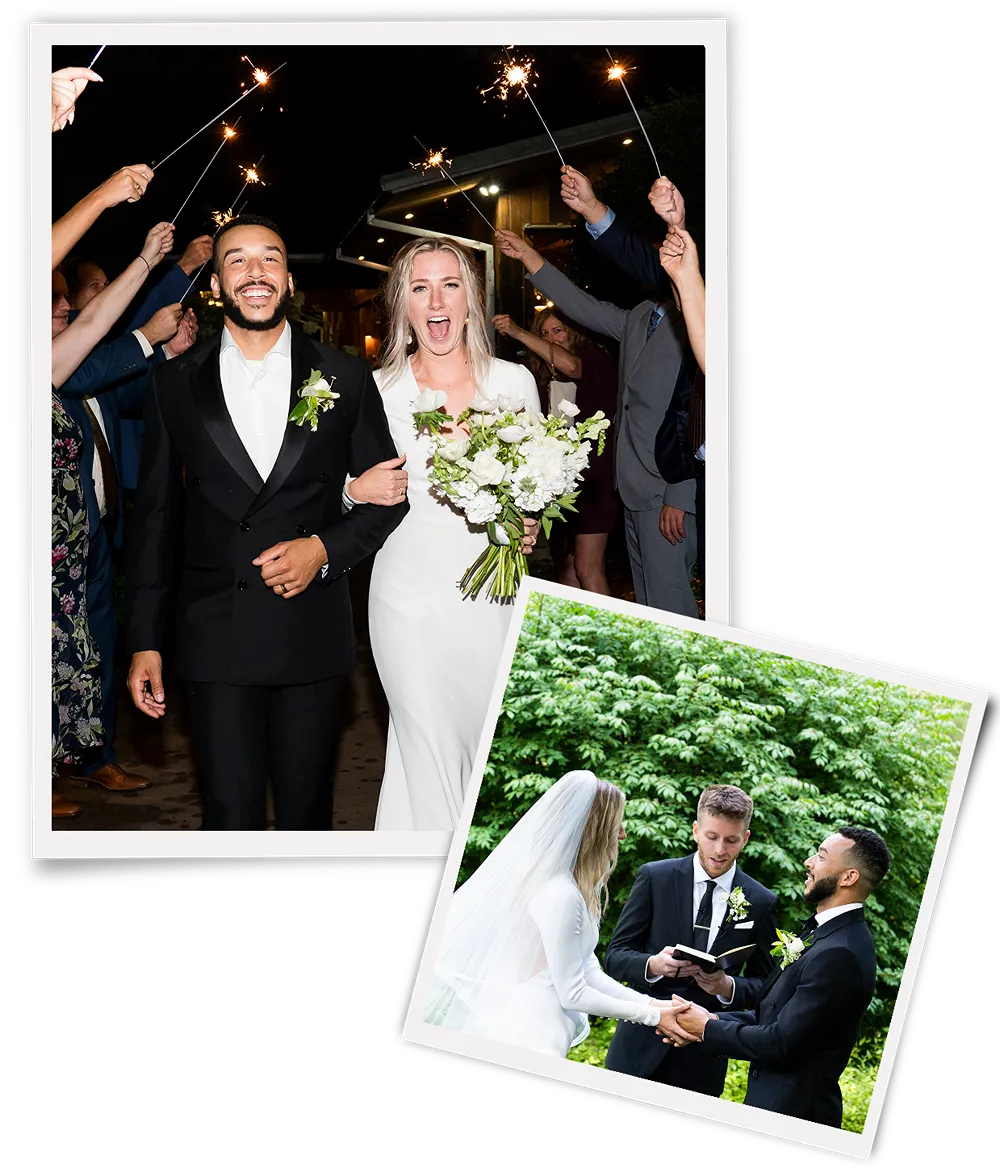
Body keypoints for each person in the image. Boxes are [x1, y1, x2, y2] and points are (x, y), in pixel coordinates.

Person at [125, 214, 408, 830]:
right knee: (230, 817)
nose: (255, 272)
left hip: (310, 631)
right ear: (216, 284)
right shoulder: (173, 382)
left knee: (308, 816)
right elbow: (155, 518)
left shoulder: (344, 375)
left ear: (288, 279)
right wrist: (145, 639)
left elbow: (390, 496)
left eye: (270, 258)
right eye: (237, 260)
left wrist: (323, 550)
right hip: (214, 633)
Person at [345, 236, 540, 832]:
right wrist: (353, 491)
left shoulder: (514, 383)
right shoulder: (376, 391)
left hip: (494, 595)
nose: (436, 301)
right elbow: (327, 488)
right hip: (406, 596)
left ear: (471, 300)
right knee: (425, 742)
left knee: (480, 745)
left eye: (450, 285)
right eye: (420, 287)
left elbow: (536, 481)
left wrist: (528, 520)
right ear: (401, 305)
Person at [56, 242, 207, 795]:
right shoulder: (56, 369)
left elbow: (134, 392)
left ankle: (92, 756)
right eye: (88, 291)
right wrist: (149, 334)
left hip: (97, 535)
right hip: (55, 547)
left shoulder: (91, 368)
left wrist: (169, 353)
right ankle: (45, 775)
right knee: (55, 654)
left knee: (98, 646)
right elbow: (103, 362)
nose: (68, 307)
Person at [495, 220, 699, 618]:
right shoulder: (640, 316)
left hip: (667, 491)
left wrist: (680, 494)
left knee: (672, 609)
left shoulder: (697, 320)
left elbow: (693, 410)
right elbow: (579, 304)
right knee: (649, 608)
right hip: (631, 488)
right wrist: (529, 256)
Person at [423, 770, 681, 1056]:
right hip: (530, 1036)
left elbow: (588, 972)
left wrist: (654, 1004)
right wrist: (654, 1017)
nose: (622, 833)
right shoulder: (560, 894)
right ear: (595, 829)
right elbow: (573, 993)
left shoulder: (568, 888)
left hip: (547, 1033)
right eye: (615, 823)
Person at [656, 827, 889, 1129]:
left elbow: (780, 1042)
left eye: (821, 856)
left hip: (795, 1116)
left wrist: (706, 1029)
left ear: (848, 877)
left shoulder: (840, 952)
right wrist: (709, 1017)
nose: (808, 862)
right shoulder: (825, 935)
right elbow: (772, 1015)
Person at [603, 783, 778, 1095]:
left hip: (701, 1061)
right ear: (696, 831)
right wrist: (653, 965)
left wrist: (726, 986)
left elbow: (765, 987)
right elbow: (615, 956)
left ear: (746, 839)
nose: (720, 850)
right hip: (638, 1048)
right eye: (711, 837)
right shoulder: (655, 877)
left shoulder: (761, 901)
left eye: (731, 840)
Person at [492, 308, 618, 595]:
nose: (551, 338)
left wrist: (517, 332)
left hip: (593, 483)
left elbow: (572, 367)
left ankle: (610, 623)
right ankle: (575, 625)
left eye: (557, 331)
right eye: (544, 333)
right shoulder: (541, 374)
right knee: (567, 572)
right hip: (558, 486)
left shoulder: (593, 358)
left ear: (574, 332)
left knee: (587, 567)